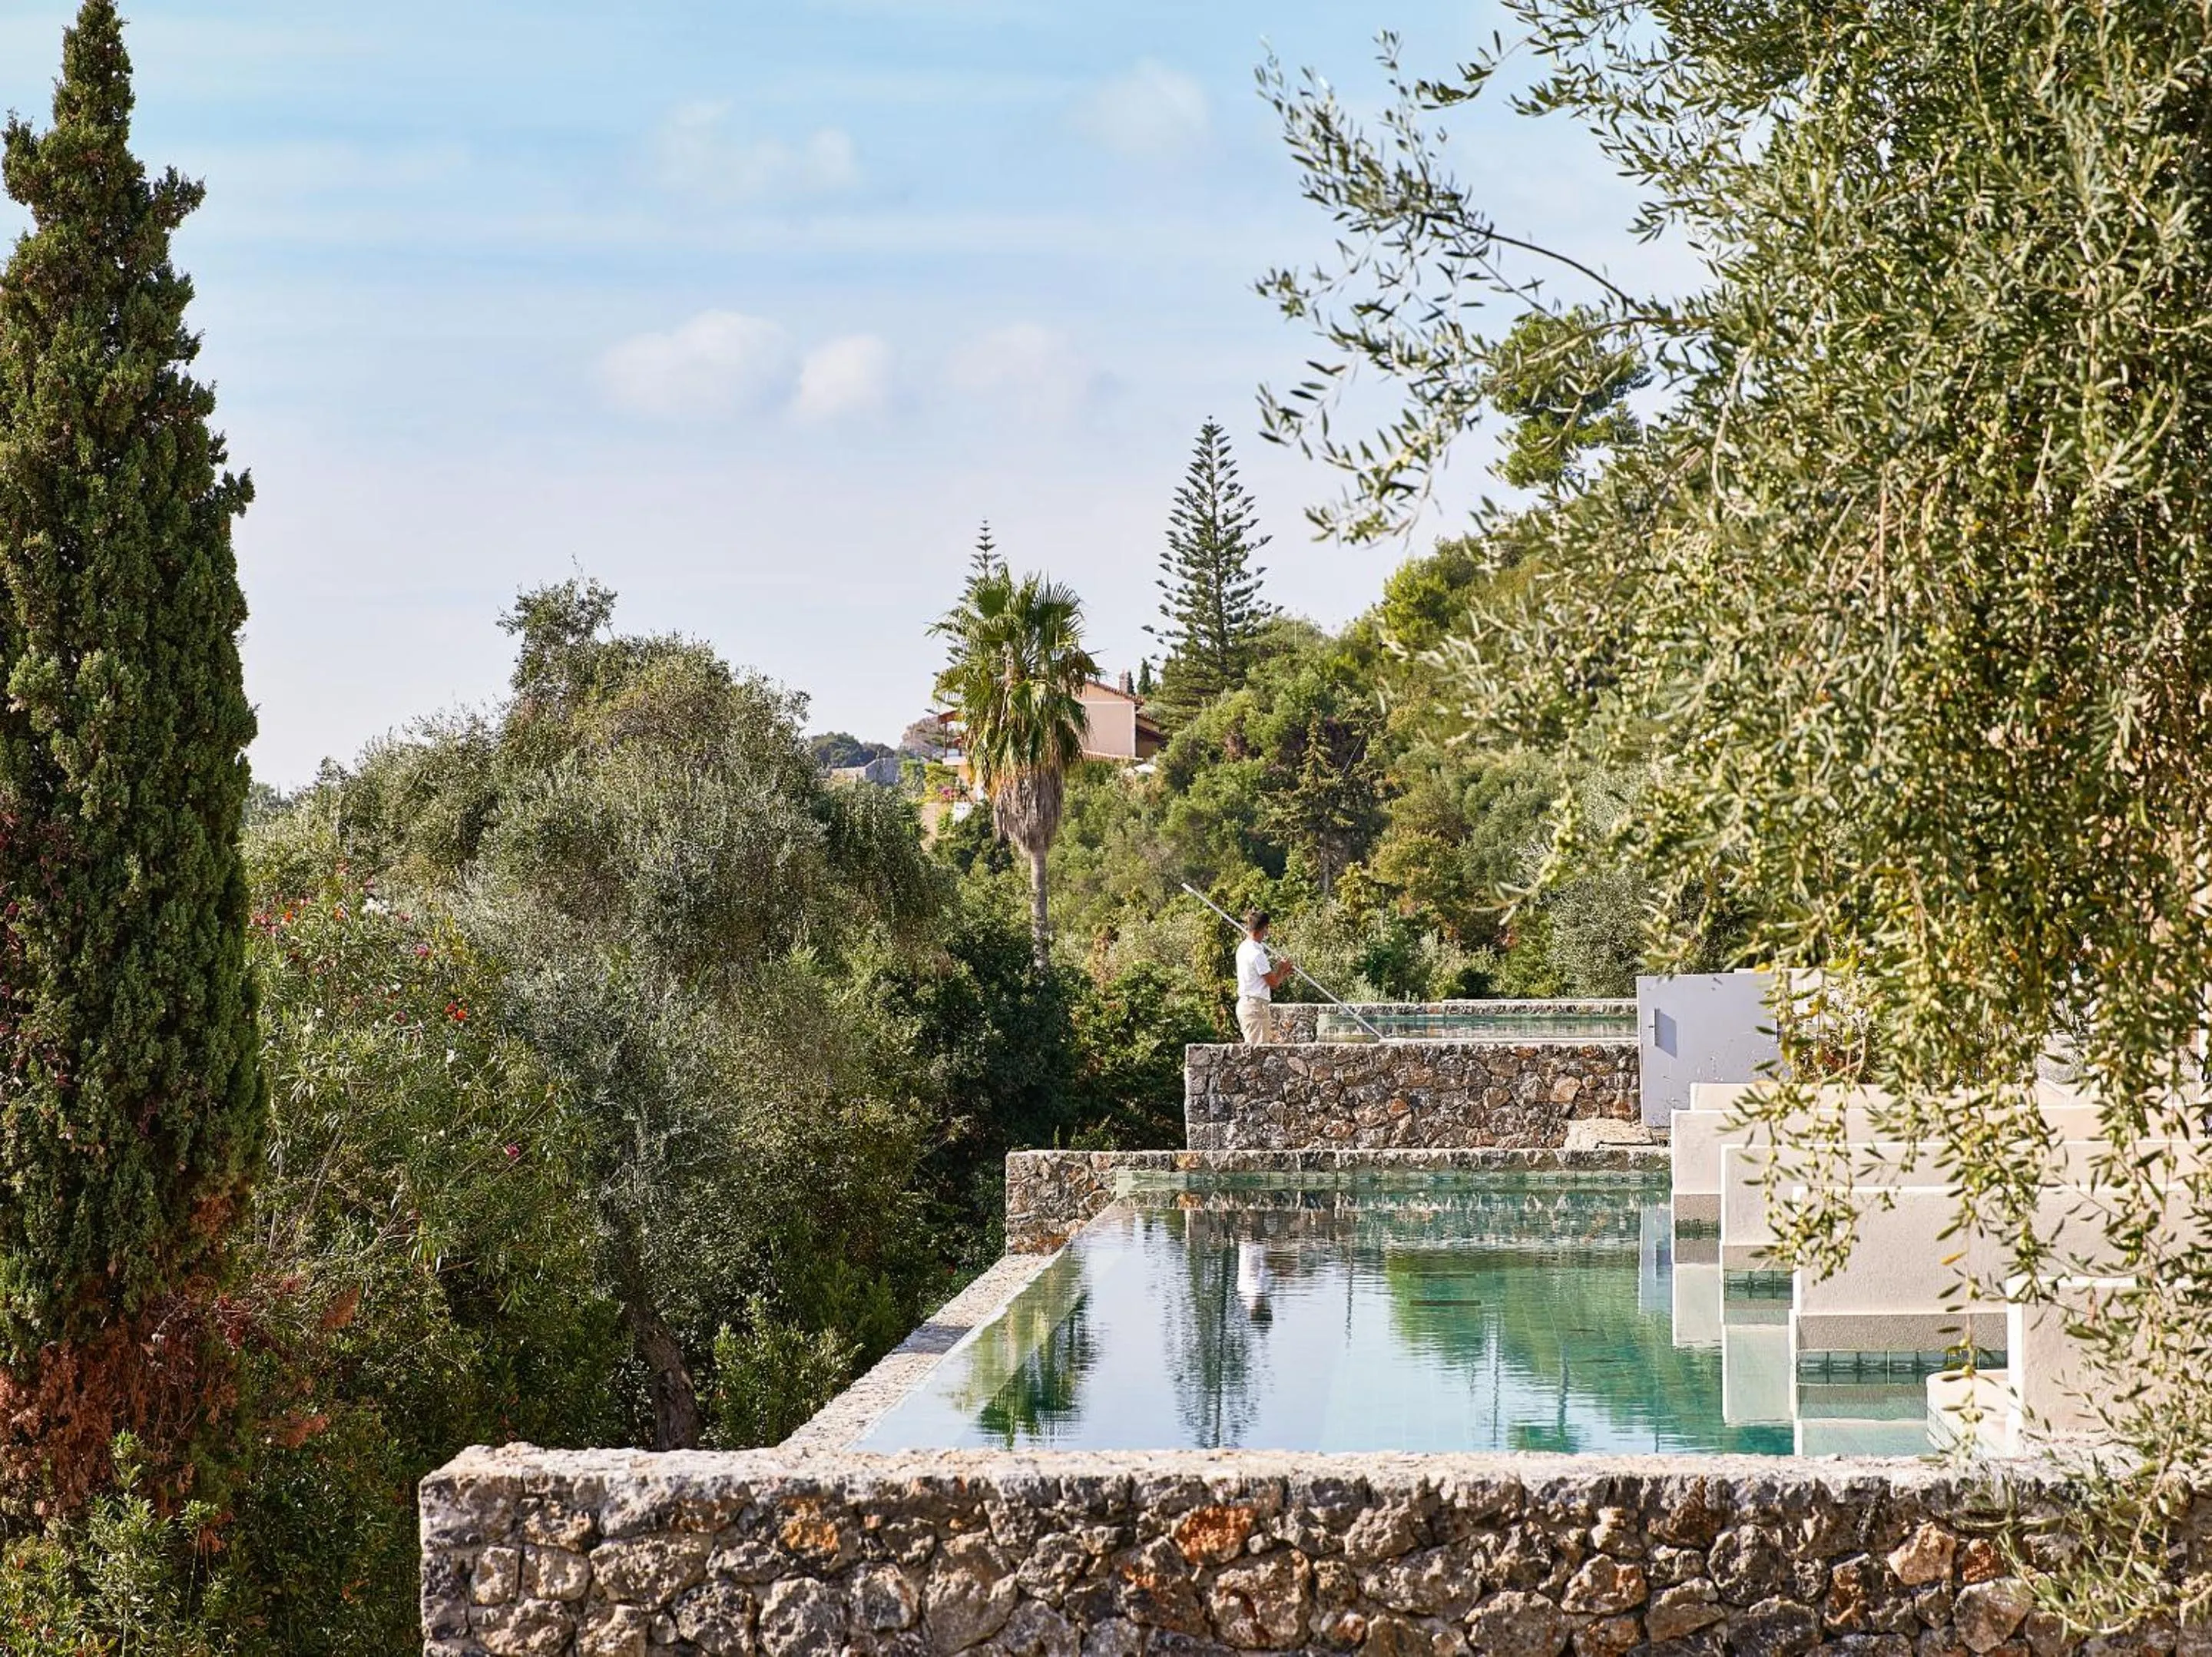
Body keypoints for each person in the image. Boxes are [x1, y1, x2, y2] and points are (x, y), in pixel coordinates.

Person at [1233, 909, 1295, 1044]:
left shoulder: (1243, 947)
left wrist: (1283, 974)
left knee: (1258, 1052)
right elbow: (1273, 983)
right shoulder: (1256, 954)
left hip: (1249, 1004)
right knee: (1259, 1054)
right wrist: (1281, 969)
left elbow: (1270, 982)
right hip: (1255, 1008)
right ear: (1264, 928)